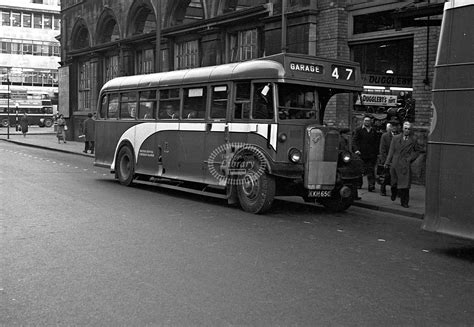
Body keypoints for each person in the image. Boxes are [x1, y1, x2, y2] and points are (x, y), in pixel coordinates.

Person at [384, 121, 421, 208]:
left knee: (405, 185)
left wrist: (410, 158)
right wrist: (387, 162)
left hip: (405, 164)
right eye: (405, 128)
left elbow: (417, 151)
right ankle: (394, 192)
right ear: (402, 129)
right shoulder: (396, 138)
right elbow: (391, 151)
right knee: (394, 183)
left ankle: (404, 202)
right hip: (395, 163)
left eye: (409, 129)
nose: (407, 130)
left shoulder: (413, 139)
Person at [352, 115, 379, 192]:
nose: (367, 122)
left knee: (370, 170)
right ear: (363, 121)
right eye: (366, 120)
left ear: (371, 122)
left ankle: (371, 185)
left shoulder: (373, 130)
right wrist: (356, 150)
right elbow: (354, 141)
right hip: (361, 153)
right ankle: (359, 184)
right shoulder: (359, 130)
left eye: (368, 121)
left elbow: (376, 142)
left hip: (371, 154)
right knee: (360, 170)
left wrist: (376, 152)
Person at [378, 119, 399, 196]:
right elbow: (382, 149)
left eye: (396, 126)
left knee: (395, 177)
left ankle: (395, 191)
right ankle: (382, 190)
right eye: (393, 126)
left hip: (396, 160)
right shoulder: (385, 136)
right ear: (390, 127)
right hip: (387, 159)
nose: (394, 128)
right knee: (385, 176)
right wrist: (385, 160)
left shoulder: (400, 136)